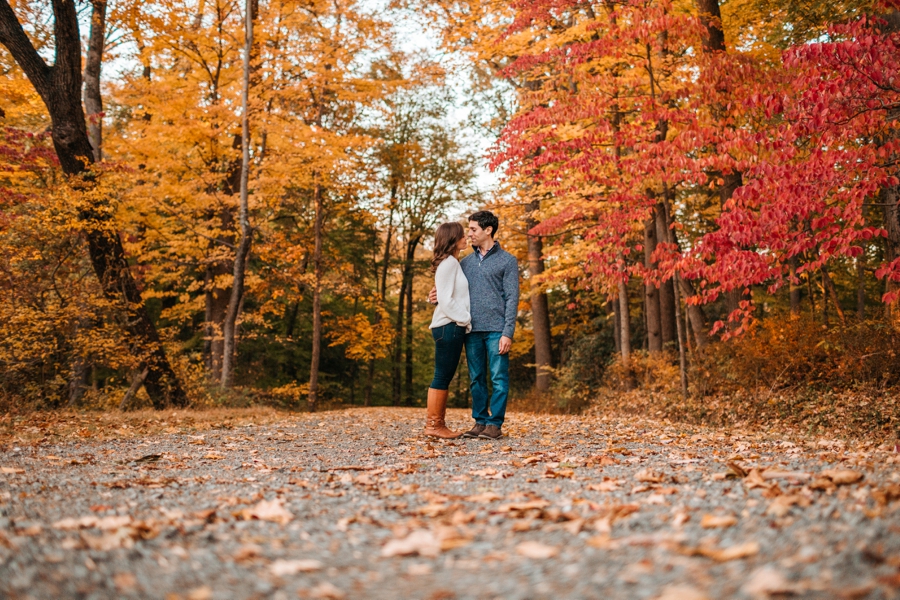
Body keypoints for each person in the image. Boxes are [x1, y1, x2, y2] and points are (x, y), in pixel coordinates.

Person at [429, 210, 519, 440]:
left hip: (497, 329)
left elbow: (512, 298)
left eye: (473, 229)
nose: (469, 234)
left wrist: (508, 332)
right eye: (467, 230)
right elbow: (449, 290)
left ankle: (494, 425)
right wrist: (434, 296)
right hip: (469, 330)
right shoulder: (464, 263)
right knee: (476, 378)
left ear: (488, 230)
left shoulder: (507, 261)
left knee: (498, 378)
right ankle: (480, 422)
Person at [424, 222, 471, 438]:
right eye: (462, 235)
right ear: (453, 239)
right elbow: (445, 299)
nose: (466, 238)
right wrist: (465, 319)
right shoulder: (450, 263)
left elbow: (440, 294)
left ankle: (436, 424)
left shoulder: (452, 262)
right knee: (442, 376)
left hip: (449, 326)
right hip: (449, 326)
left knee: (444, 375)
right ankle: (435, 426)